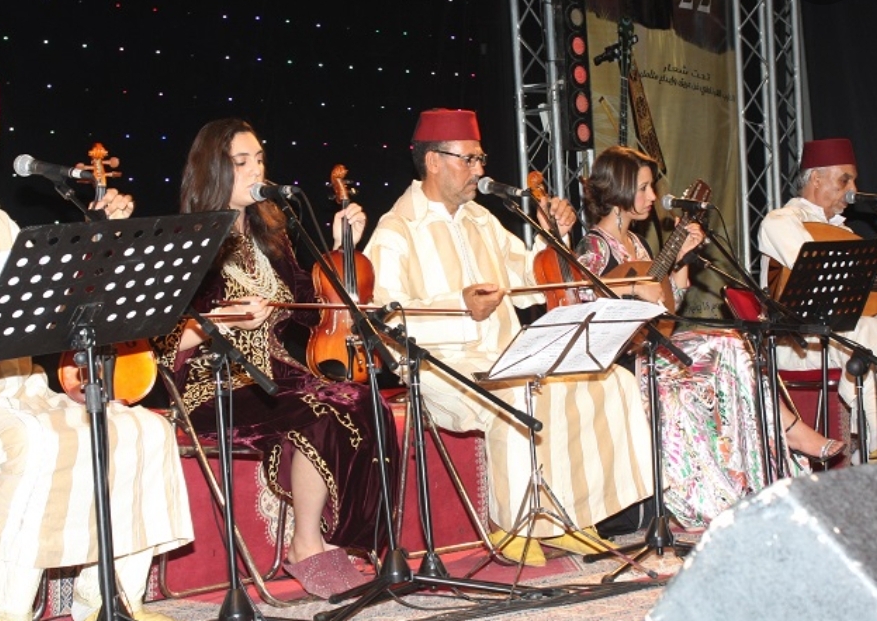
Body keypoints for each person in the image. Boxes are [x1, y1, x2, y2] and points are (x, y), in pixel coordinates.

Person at [0, 72, 193, 621]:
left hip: (17, 393)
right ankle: (4, 612)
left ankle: (107, 601)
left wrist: (105, 240)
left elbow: (57, 308)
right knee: (36, 442)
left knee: (144, 431)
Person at [363, 108, 653, 566]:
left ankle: (574, 518)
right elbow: (383, 318)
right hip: (439, 367)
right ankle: (514, 525)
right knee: (518, 389)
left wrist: (552, 235)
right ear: (434, 161)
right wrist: (460, 307)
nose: (480, 169)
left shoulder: (482, 220)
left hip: (505, 354)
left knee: (608, 379)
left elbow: (531, 282)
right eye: (469, 159)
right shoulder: (396, 230)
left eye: (481, 158)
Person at [150, 118, 398, 599]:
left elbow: (311, 304)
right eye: (241, 161)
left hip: (278, 372)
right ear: (212, 170)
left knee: (365, 399)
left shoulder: (272, 236)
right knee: (319, 410)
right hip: (214, 381)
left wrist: (341, 247)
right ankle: (305, 544)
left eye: (259, 159)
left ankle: (347, 540)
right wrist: (222, 322)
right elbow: (160, 342)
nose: (256, 170)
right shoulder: (187, 240)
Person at [576, 145, 845, 526]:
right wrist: (633, 289)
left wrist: (681, 261)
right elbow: (583, 301)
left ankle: (756, 470)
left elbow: (667, 309)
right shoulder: (595, 245)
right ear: (619, 189)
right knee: (724, 344)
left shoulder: (638, 244)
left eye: (652, 187)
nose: (653, 196)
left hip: (652, 349)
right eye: (644, 188)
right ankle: (786, 435)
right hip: (621, 362)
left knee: (734, 343)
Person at [758, 138, 877, 455]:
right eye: (844, 180)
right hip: (792, 342)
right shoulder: (779, 222)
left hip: (835, 335)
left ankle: (866, 448)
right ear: (816, 178)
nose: (852, 189)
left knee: (865, 328)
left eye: (853, 181)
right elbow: (818, 277)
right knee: (864, 330)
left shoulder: (845, 233)